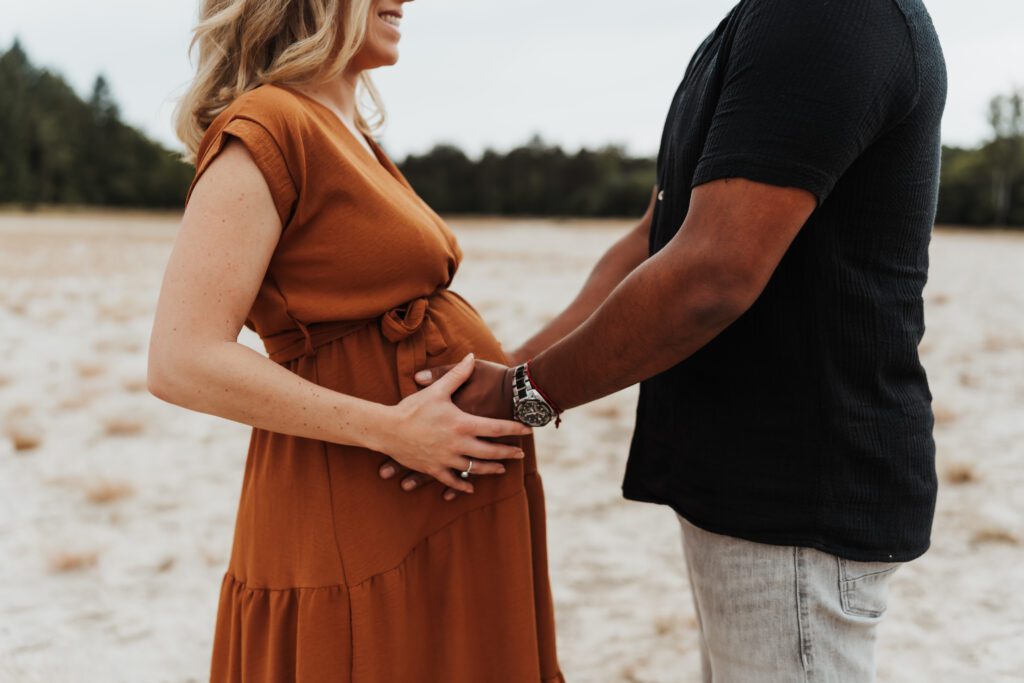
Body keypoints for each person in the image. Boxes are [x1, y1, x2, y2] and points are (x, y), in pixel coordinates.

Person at [384, 0, 947, 680]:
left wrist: (518, 396)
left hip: (798, 501)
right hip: (748, 496)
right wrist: (498, 372)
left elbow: (711, 272)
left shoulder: (824, 15)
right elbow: (658, 237)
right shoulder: (765, 22)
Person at [147, 1, 563, 680]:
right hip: (362, 501)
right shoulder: (270, 124)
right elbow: (180, 358)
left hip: (428, 500)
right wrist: (393, 429)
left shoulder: (349, 132)